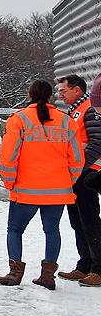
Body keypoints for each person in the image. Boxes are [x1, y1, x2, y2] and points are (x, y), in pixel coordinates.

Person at [0, 79, 83, 290]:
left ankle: (15, 273)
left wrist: (9, 181)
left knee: (15, 230)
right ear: (51, 96)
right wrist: (67, 181)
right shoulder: (67, 121)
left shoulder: (19, 119)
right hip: (57, 191)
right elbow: (77, 160)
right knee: (52, 231)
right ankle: (47, 276)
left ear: (29, 95)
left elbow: (8, 157)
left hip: (25, 190)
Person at [58, 74, 101, 287]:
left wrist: (79, 168)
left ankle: (98, 270)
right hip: (76, 174)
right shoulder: (76, 110)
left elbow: (97, 142)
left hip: (87, 174)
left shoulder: (90, 109)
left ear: (77, 90)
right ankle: (84, 265)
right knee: (77, 222)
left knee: (90, 222)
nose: (60, 95)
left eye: (63, 91)